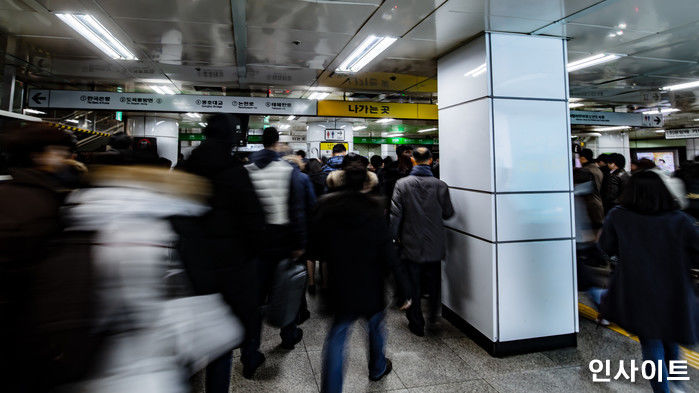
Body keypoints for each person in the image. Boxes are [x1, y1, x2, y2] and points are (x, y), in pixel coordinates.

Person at [309, 155, 411, 393]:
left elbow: (315, 247)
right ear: (366, 182)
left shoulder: (326, 206)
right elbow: (388, 252)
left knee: (337, 335)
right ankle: (377, 368)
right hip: (370, 282)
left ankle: (331, 389)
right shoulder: (374, 208)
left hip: (339, 281)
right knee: (375, 326)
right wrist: (402, 289)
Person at [179, 113, 267, 387]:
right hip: (231, 268)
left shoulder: (184, 170)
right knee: (222, 340)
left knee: (184, 340)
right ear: (232, 137)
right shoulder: (236, 173)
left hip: (189, 266)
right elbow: (255, 223)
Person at [599, 170, 698, 393]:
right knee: (672, 336)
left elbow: (606, 247)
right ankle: (677, 384)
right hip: (675, 288)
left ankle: (662, 390)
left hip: (637, 288)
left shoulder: (618, 215)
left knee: (651, 341)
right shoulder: (680, 219)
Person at [0, 124, 75, 392]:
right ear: (37, 155)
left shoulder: (22, 193)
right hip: (29, 324)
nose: (65, 159)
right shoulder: (40, 202)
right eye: (58, 152)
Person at [246, 127, 307, 361]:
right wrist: (300, 242)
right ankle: (288, 335)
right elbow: (296, 210)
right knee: (285, 289)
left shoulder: (247, 169)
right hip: (281, 239)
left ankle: (250, 354)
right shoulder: (286, 170)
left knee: (254, 300)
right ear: (277, 143)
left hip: (254, 243)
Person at [390, 147, 455, 336]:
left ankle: (416, 323)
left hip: (410, 242)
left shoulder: (402, 184)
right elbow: (448, 213)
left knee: (413, 284)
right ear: (430, 160)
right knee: (434, 282)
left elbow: (395, 216)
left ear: (413, 161)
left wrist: (393, 240)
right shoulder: (440, 185)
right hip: (435, 243)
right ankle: (434, 318)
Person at [578, 148, 604, 229]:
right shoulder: (597, 169)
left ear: (583, 158)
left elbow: (581, 189)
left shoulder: (585, 171)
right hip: (598, 203)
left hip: (590, 205)